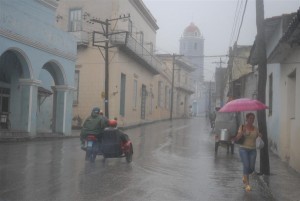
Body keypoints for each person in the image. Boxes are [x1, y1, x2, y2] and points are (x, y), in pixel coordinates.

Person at [235, 112, 261, 192]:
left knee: (251, 168)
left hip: (253, 150)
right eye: (250, 118)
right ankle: (247, 184)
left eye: (253, 118)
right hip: (243, 149)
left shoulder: (255, 128)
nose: (252, 120)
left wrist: (260, 135)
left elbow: (258, 136)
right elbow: (237, 138)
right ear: (247, 119)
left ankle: (244, 176)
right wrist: (242, 132)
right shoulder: (242, 127)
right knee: (246, 165)